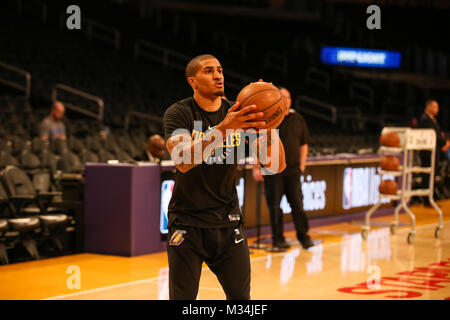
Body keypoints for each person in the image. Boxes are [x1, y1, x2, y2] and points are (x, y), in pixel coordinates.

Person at [163, 54, 286, 300]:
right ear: (193, 82)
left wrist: (268, 122)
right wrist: (224, 129)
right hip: (187, 224)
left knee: (241, 300)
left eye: (219, 69)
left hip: (228, 222)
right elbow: (182, 160)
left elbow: (276, 165)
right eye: (209, 71)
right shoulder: (179, 113)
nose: (218, 75)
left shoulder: (240, 113)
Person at [253, 87, 314, 251]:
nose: (285, 100)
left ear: (290, 101)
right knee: (274, 207)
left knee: (298, 205)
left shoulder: (298, 119)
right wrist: (256, 167)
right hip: (272, 170)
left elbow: (304, 144)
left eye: (288, 97)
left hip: (293, 170)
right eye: (282, 97)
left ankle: (304, 237)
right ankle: (278, 239)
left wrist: (302, 165)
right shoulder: (268, 119)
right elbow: (257, 142)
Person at [418, 99, 450, 205]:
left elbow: (438, 135)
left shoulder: (432, 120)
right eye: (435, 107)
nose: (437, 110)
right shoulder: (425, 119)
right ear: (428, 107)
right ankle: (427, 199)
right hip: (428, 153)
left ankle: (431, 197)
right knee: (427, 176)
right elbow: (434, 136)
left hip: (434, 152)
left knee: (432, 175)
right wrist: (445, 142)